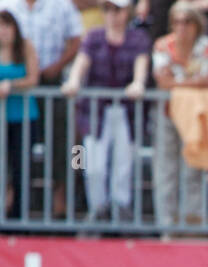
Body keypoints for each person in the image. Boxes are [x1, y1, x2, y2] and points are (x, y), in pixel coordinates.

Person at [63, 0, 150, 224]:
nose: (112, 15)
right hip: (94, 112)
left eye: (117, 9)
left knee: (123, 165)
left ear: (127, 12)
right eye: (108, 9)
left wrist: (138, 83)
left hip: (125, 112)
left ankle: (121, 210)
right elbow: (81, 62)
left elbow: (141, 66)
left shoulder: (138, 38)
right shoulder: (93, 36)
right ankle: (97, 209)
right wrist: (73, 81)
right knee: (90, 164)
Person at [8, 0, 84, 218]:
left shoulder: (61, 5)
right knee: (16, 145)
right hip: (19, 86)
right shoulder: (9, 5)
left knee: (66, 146)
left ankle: (61, 201)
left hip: (54, 82)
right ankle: (12, 198)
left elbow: (76, 41)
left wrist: (57, 66)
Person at [152, 1, 208, 227]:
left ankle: (193, 225)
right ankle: (167, 225)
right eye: (177, 21)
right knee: (166, 171)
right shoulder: (163, 45)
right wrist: (192, 82)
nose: (182, 27)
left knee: (194, 170)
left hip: (196, 116)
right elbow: (162, 81)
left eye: (187, 21)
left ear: (196, 25)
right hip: (168, 114)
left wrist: (178, 82)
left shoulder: (205, 46)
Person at [0, 8, 40, 222]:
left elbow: (33, 78)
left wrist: (10, 85)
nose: (2, 32)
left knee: (21, 169)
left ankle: (19, 217)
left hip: (24, 118)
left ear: (14, 27)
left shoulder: (26, 46)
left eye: (6, 26)